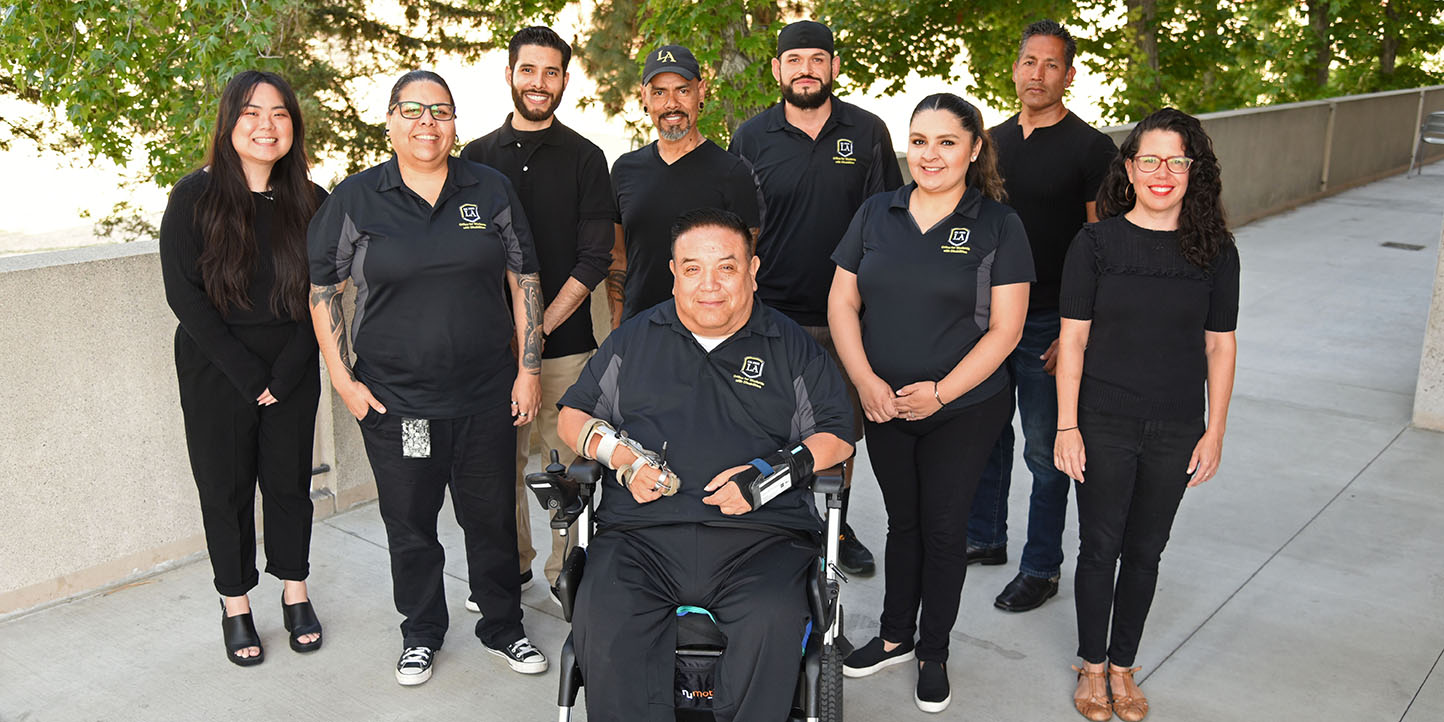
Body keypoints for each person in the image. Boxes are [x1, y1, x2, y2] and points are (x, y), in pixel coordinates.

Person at [556, 208, 854, 722]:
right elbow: (573, 416)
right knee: (605, 616)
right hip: (640, 538)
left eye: (727, 267)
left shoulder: (791, 346)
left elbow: (836, 437)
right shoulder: (634, 340)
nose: (709, 285)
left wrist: (766, 479)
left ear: (753, 271)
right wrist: (623, 460)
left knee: (773, 618)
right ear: (673, 273)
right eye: (692, 269)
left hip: (761, 540)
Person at [307, 70, 548, 686]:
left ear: (454, 123)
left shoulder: (488, 189)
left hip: (486, 399)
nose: (426, 122)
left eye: (439, 111)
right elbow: (323, 292)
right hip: (398, 406)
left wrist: (527, 369)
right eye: (411, 110)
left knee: (491, 516)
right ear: (389, 121)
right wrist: (344, 382)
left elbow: (524, 279)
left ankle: (503, 628)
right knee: (411, 524)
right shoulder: (356, 199)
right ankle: (421, 633)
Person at [830, 93, 1034, 713]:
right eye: (919, 140)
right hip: (885, 404)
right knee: (904, 523)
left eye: (947, 141)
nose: (930, 154)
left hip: (965, 409)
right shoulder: (876, 212)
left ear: (974, 149)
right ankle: (894, 635)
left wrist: (941, 392)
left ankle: (933, 652)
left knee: (945, 529)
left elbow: (1007, 330)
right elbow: (842, 302)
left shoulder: (999, 224)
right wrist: (865, 381)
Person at [1054, 107, 1238, 722]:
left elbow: (1220, 344)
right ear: (1129, 169)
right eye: (1149, 160)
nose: (1163, 173)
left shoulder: (1216, 250)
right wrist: (1067, 426)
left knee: (1147, 551)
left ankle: (1124, 665)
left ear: (1194, 170)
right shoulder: (1096, 243)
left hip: (1177, 425)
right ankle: (1091, 664)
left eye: (1176, 161)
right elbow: (1072, 341)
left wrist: (1214, 431)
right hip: (1103, 419)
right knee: (1100, 547)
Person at [159, 70, 326, 667]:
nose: (266, 125)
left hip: (294, 366)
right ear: (230, 122)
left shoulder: (313, 200)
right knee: (225, 493)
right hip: (216, 370)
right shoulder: (193, 197)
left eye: (279, 114)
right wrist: (248, 376)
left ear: (293, 127)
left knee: (288, 487)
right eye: (252, 113)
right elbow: (183, 294)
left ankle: (295, 591)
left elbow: (323, 294)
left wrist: (283, 374)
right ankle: (235, 605)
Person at [729, 19, 903, 577]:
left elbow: (888, 224)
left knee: (839, 434)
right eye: (795, 59)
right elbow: (739, 230)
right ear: (777, 69)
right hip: (772, 315)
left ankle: (836, 524)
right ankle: (778, 524)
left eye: (817, 59)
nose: (806, 69)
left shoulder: (868, 131)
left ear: (832, 66)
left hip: (848, 316)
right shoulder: (750, 138)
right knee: (770, 430)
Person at [965, 19, 1119, 614]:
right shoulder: (992, 142)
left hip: (1049, 320)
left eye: (1051, 64)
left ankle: (1041, 566)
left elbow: (1101, 244)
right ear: (1015, 69)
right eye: (1030, 61)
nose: (1038, 73)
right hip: (984, 318)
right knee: (985, 433)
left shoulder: (1091, 149)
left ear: (1069, 75)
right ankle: (985, 536)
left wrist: (1077, 331)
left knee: (1045, 449)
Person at [460, 26, 613, 603]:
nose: (539, 83)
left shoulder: (586, 158)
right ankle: (510, 567)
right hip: (488, 351)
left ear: (564, 81)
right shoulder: (474, 158)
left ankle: (565, 571)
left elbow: (595, 257)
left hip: (567, 345)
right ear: (510, 74)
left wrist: (536, 326)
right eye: (529, 70)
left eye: (552, 73)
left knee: (568, 467)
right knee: (496, 469)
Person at [609, 43, 762, 324]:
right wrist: (618, 327)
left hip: (710, 333)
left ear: (701, 92)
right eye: (659, 93)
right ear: (644, 97)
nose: (671, 104)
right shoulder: (624, 170)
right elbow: (619, 258)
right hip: (640, 330)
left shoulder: (732, 172)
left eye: (682, 90)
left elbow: (744, 269)